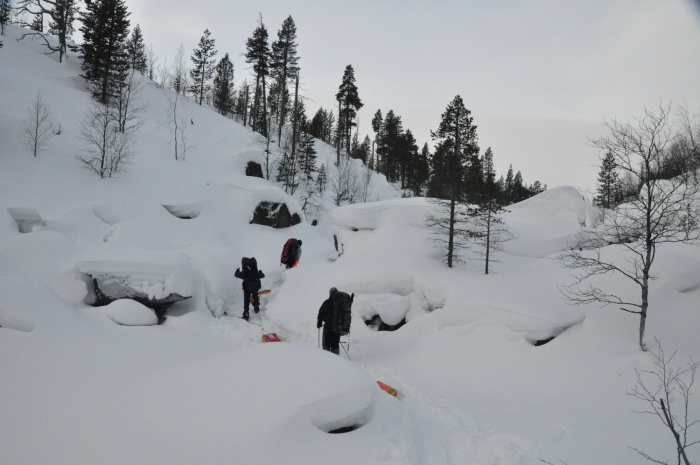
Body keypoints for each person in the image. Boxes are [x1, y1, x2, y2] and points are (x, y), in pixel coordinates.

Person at [234, 257, 265, 321]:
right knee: (255, 294)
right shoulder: (255, 272)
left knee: (246, 299)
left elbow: (236, 275)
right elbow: (262, 275)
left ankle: (246, 313)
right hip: (255, 287)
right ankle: (256, 307)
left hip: (246, 287)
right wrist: (260, 272)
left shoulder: (244, 272)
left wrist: (237, 271)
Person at [317, 287, 341, 355]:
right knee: (335, 345)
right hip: (338, 329)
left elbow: (321, 313)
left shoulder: (327, 302)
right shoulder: (341, 303)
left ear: (330, 293)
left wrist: (319, 323)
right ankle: (337, 361)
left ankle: (326, 361)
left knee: (326, 345)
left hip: (328, 328)